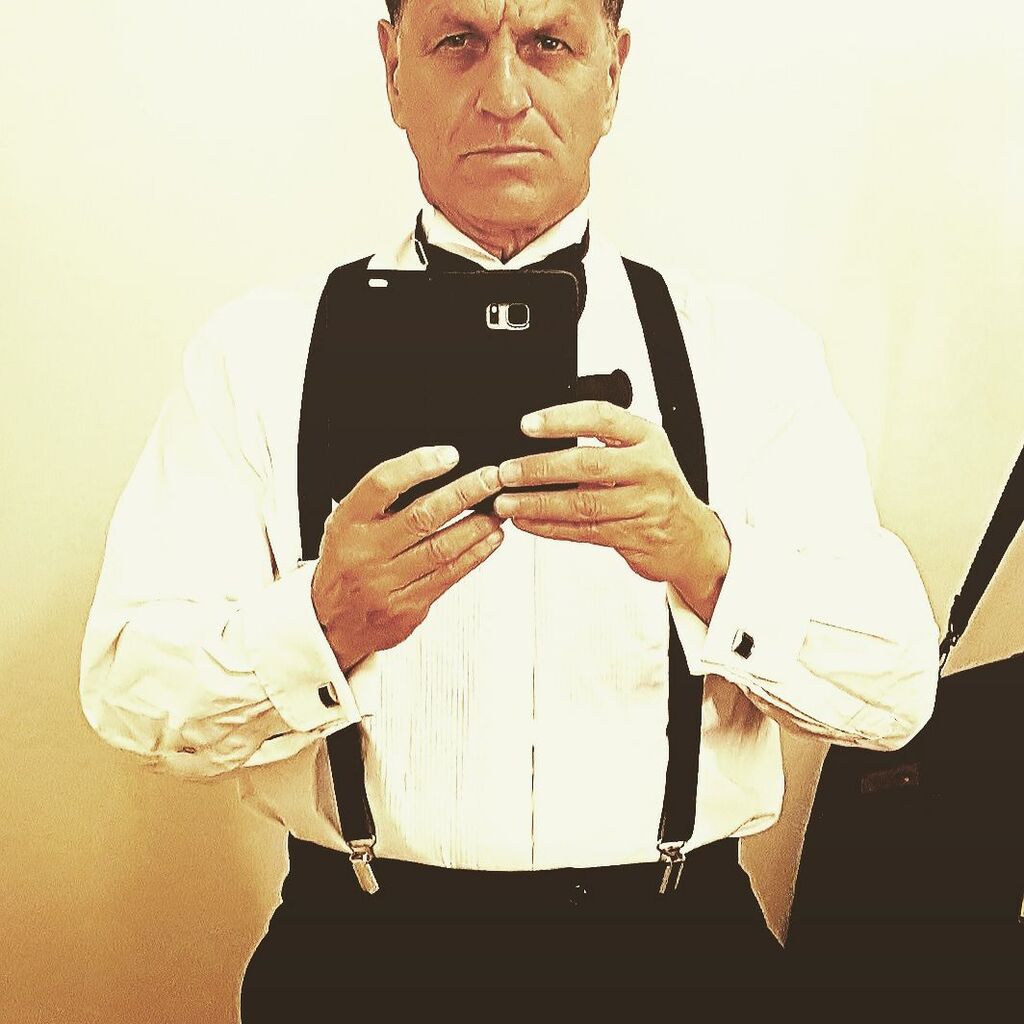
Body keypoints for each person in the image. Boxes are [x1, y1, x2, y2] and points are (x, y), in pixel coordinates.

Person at [79, 0, 940, 1007]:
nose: (502, 95)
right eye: (458, 42)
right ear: (392, 67)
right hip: (358, 965)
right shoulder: (256, 355)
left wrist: (706, 560)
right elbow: (126, 689)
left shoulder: (750, 354)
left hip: (682, 967)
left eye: (547, 43)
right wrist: (322, 622)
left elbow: (896, 692)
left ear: (611, 71)